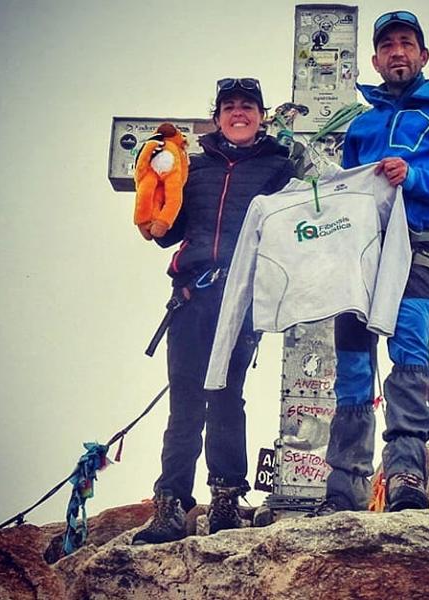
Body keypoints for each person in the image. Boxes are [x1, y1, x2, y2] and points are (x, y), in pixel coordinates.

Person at [314, 11, 429, 515]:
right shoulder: (359, 122)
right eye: (388, 45)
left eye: (406, 43)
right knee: (351, 363)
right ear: (374, 59)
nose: (397, 51)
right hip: (359, 253)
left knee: (409, 349)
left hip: (417, 245)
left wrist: (413, 177)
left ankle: (406, 475)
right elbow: (343, 192)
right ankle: (343, 490)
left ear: (423, 55)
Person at [132, 78, 296, 544]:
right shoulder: (193, 166)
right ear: (217, 115)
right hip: (190, 294)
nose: (238, 113)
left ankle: (225, 500)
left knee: (227, 397)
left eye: (247, 106)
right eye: (229, 106)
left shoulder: (279, 169)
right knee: (184, 400)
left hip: (241, 298)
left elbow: (296, 227)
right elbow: (166, 232)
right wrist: (155, 180)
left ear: (261, 115)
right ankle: (169, 506)